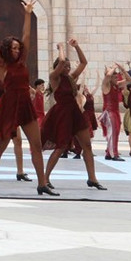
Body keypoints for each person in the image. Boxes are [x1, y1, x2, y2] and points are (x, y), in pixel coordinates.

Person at [0, 0, 52, 196]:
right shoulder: (1, 64)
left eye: (18, 48)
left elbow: (26, 35)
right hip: (9, 105)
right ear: (7, 49)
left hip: (25, 104)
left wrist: (27, 13)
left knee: (37, 144)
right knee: (3, 143)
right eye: (13, 48)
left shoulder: (22, 60)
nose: (17, 50)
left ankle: (42, 184)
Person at [41, 38, 106, 191]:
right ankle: (45, 179)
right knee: (61, 147)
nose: (68, 67)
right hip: (62, 114)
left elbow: (83, 63)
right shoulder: (54, 78)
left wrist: (77, 47)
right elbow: (62, 60)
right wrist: (61, 48)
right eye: (65, 66)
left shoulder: (70, 78)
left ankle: (92, 178)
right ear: (58, 67)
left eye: (69, 66)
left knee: (87, 145)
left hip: (75, 113)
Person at [100, 64, 131, 160]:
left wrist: (122, 69)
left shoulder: (117, 85)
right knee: (113, 132)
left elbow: (129, 80)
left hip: (115, 112)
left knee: (116, 132)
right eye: (114, 74)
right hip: (109, 112)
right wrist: (113, 68)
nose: (116, 76)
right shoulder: (106, 85)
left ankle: (108, 153)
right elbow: (108, 76)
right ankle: (114, 154)